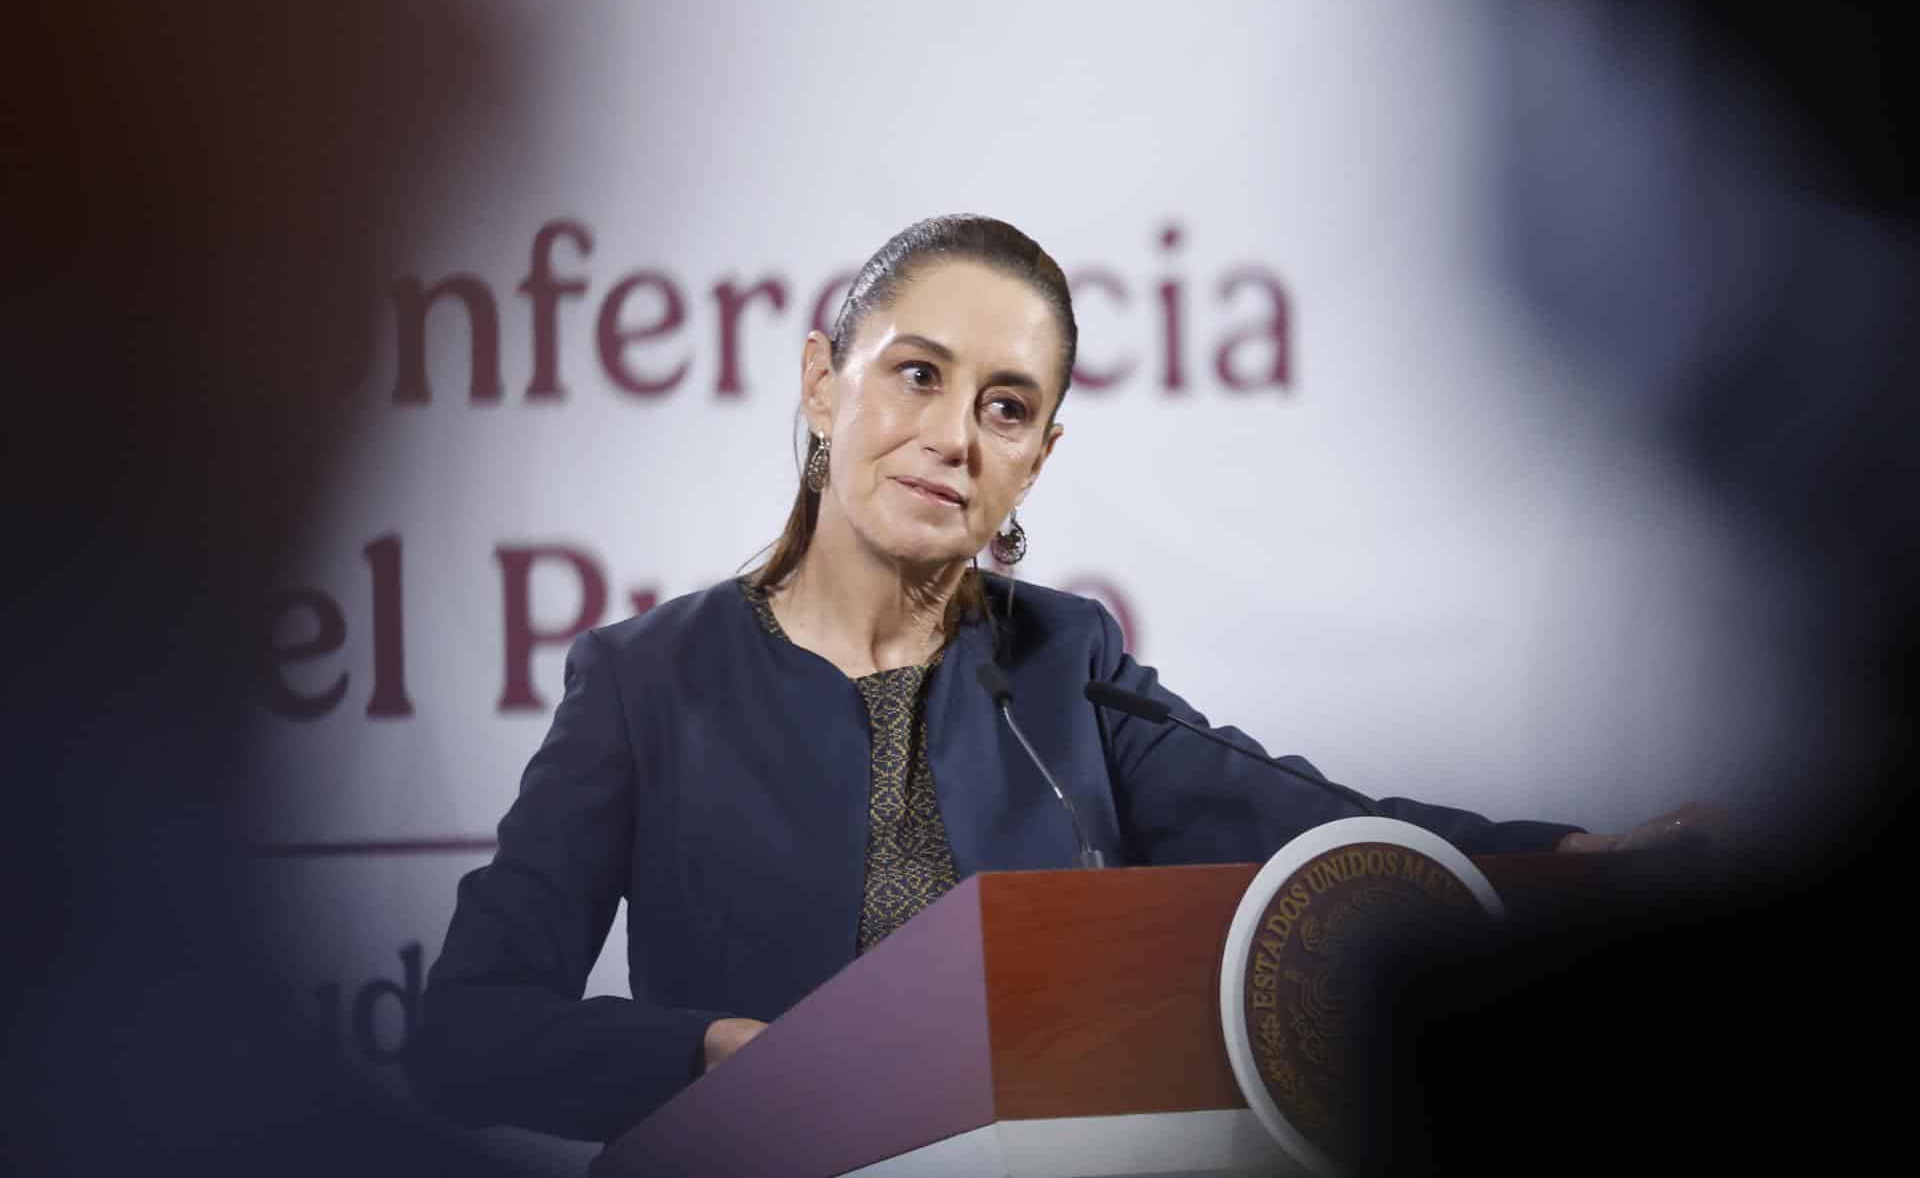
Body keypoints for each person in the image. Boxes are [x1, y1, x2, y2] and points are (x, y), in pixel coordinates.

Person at [403, 214, 1714, 1145]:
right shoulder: (645, 681)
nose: (953, 439)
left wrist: (1574, 858)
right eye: (918, 374)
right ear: (820, 380)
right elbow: (468, 1035)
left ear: (1037, 456)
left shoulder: (1065, 662)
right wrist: (709, 1055)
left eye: (1008, 406)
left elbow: (1298, 821)